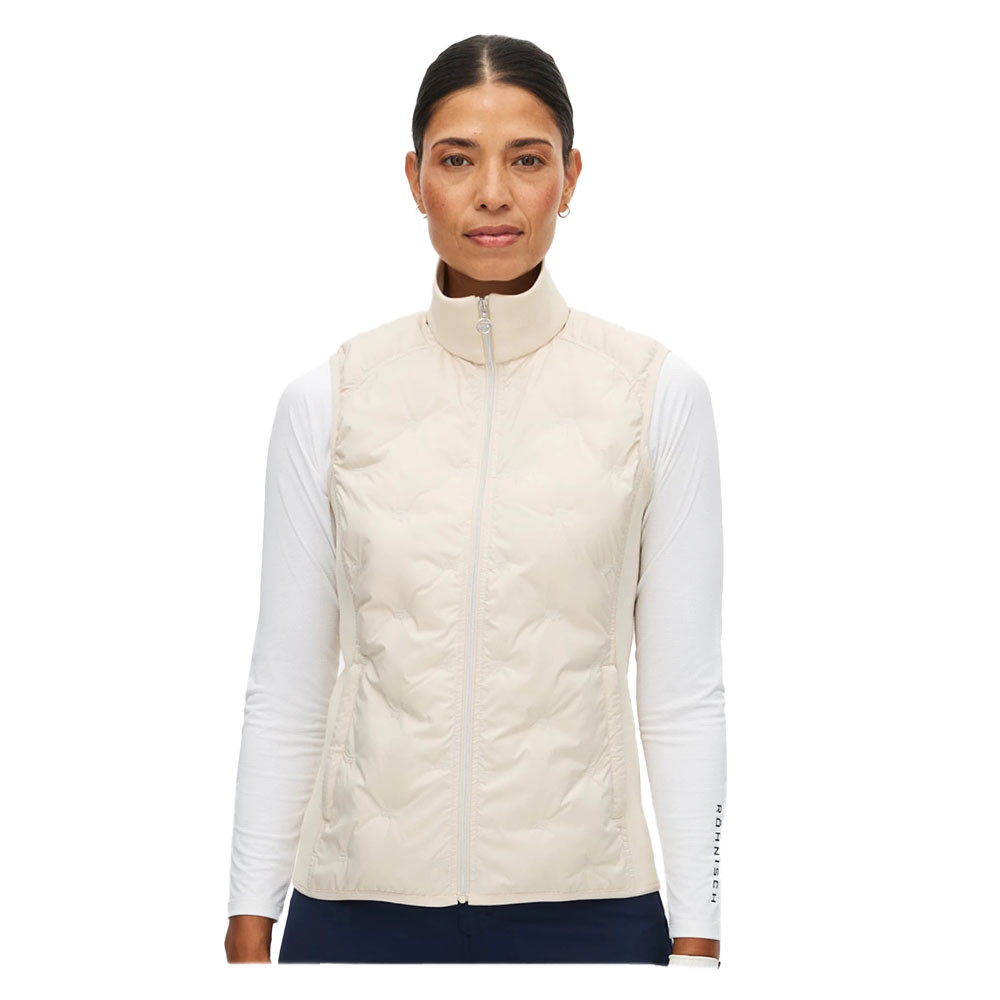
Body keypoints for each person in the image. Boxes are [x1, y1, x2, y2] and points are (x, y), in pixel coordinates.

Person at [225, 33, 727, 966]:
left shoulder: (653, 395)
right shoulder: (330, 400)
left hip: (590, 912)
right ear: (415, 179)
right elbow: (289, 684)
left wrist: (698, 942)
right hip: (355, 911)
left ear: (570, 179)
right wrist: (250, 921)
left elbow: (682, 693)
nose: (492, 192)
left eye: (527, 160)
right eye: (457, 160)